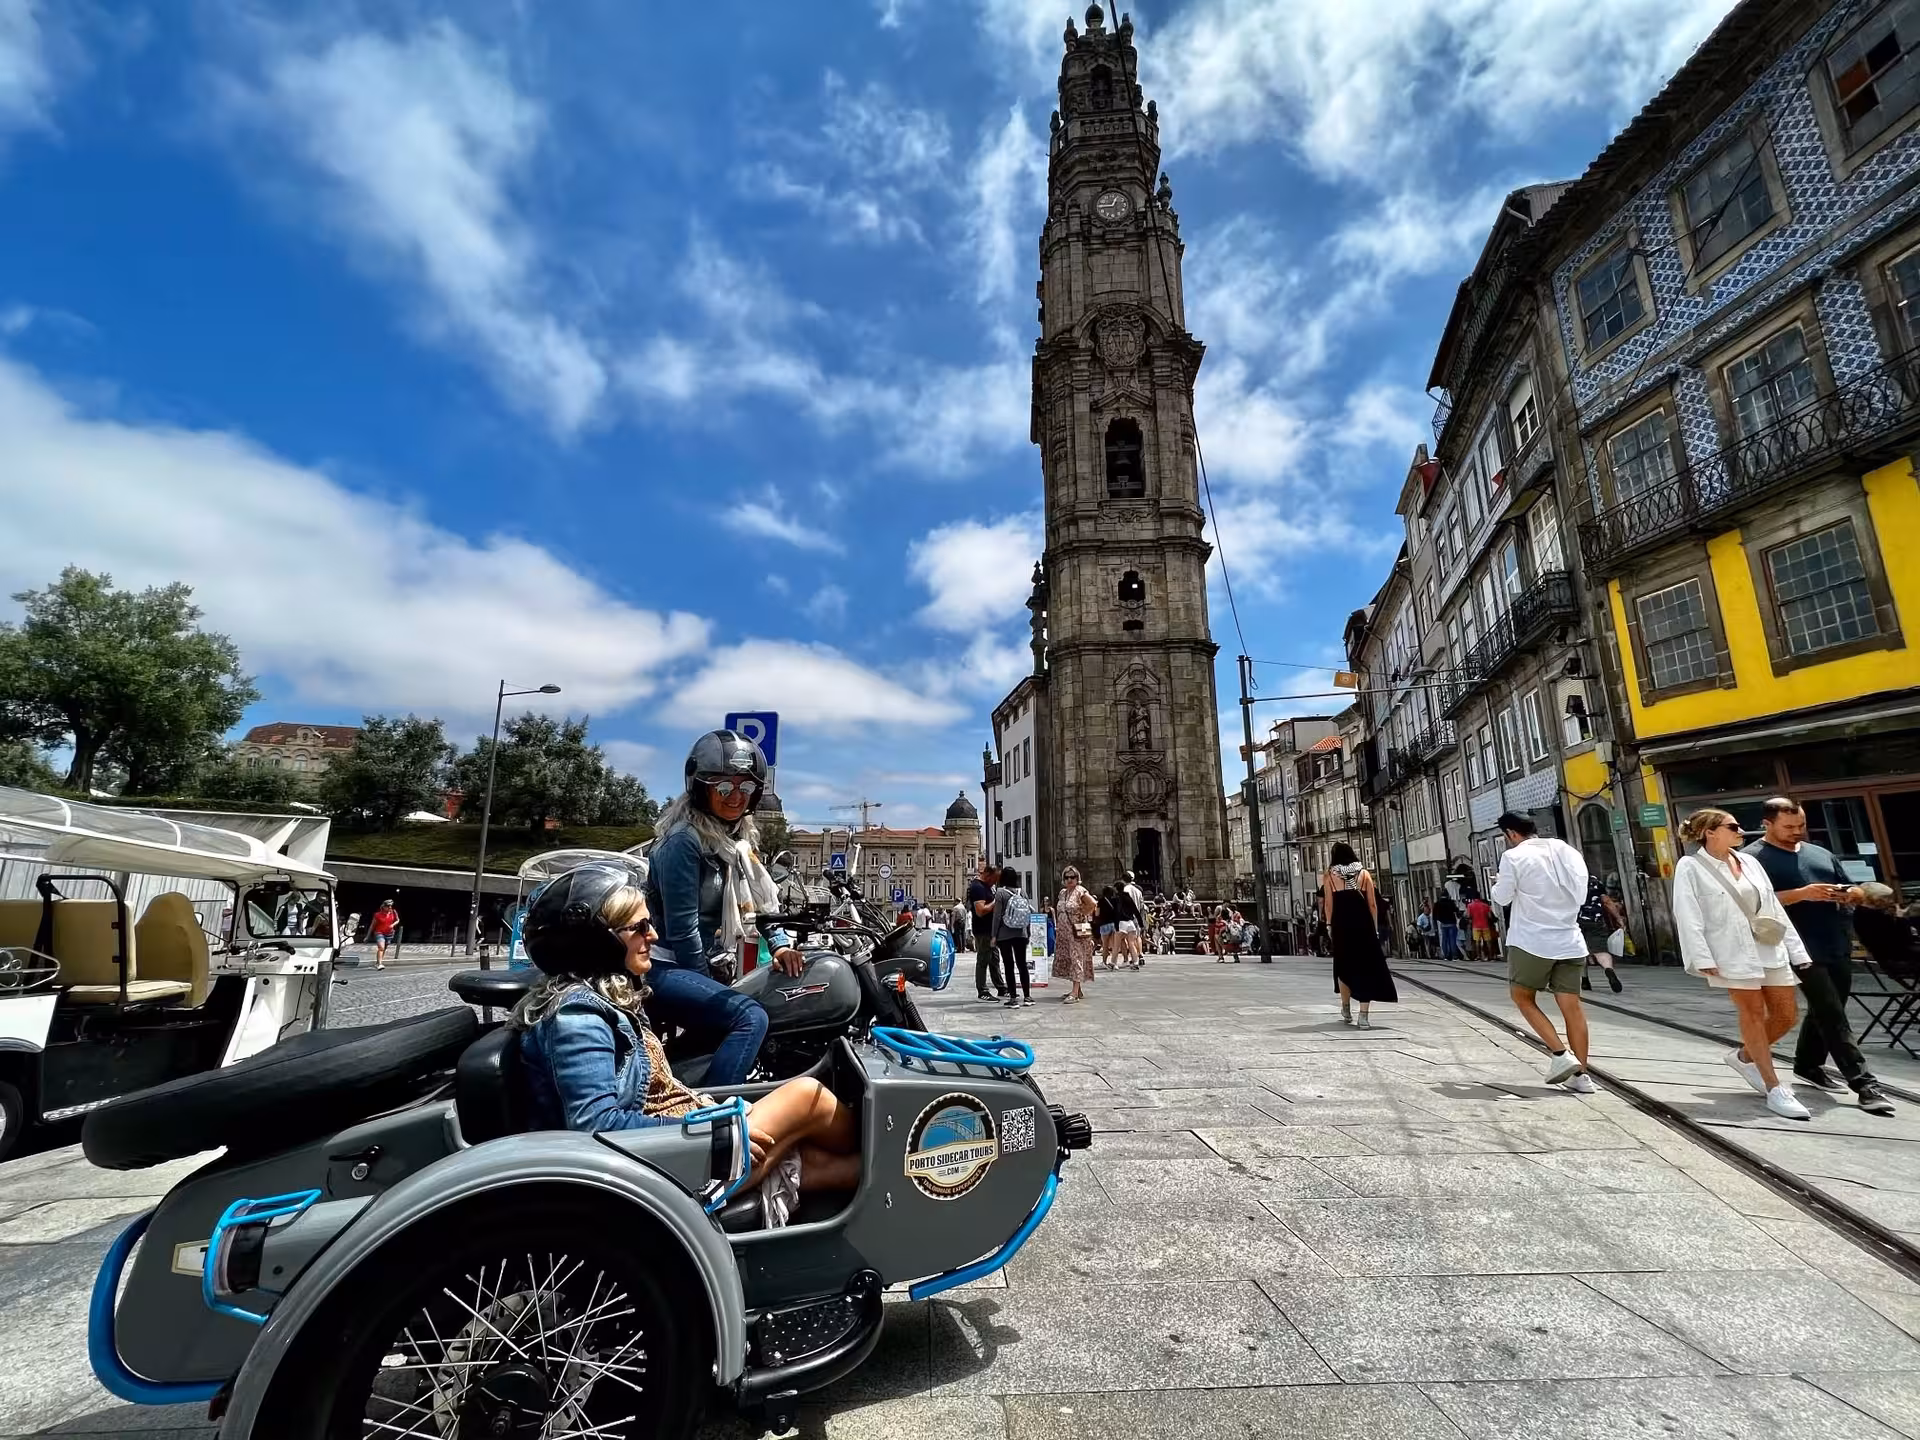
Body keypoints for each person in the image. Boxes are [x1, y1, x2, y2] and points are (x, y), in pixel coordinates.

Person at [512, 863, 858, 1228]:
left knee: (833, 1163)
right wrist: (714, 1131)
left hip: (683, 1142)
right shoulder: (579, 1015)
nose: (654, 936)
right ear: (598, 941)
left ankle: (892, 1184)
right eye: (639, 928)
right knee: (808, 1097)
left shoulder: (605, 998)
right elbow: (595, 1124)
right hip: (671, 1162)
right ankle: (897, 1151)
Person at [641, 731, 792, 1087]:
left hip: (695, 965)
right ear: (701, 787)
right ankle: (714, 1115)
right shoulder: (684, 841)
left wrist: (781, 943)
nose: (736, 797)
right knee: (749, 1018)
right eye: (724, 788)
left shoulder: (737, 841)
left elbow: (759, 898)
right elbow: (683, 929)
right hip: (662, 965)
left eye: (746, 788)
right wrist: (708, 992)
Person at [1745, 799, 1894, 1115]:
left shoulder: (1820, 853)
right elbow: (1749, 904)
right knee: (1832, 1014)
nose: (1797, 832)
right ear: (1767, 823)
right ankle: (1865, 1084)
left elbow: (1854, 890)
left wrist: (1852, 894)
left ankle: (1808, 1066)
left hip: (1835, 941)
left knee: (1829, 1008)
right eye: (1789, 827)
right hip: (1794, 948)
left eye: (1800, 825)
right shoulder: (1751, 859)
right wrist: (1802, 894)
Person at [1672, 808, 1815, 1121]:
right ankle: (1774, 1087)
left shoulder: (1749, 862)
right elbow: (1687, 913)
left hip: (1769, 947)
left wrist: (1797, 951)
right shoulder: (1691, 866)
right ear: (1710, 832)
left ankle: (1744, 1056)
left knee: (1786, 1015)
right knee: (1751, 1013)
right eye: (1732, 826)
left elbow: (1773, 907)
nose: (1740, 831)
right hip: (1730, 952)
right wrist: (1702, 956)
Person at [1490, 812, 1596, 1093]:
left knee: (1522, 996)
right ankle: (1581, 1076)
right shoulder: (1567, 850)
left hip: (1532, 941)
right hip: (1570, 940)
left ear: (1511, 834)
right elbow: (1581, 894)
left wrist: (1499, 880)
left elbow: (1502, 897)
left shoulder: (1513, 857)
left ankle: (1560, 1055)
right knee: (1572, 1007)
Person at [1323, 841, 1397, 1029]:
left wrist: (1330, 925)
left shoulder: (1330, 875)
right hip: (1363, 925)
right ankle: (1363, 1016)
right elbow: (1372, 904)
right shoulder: (1364, 874)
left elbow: (1328, 905)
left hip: (1341, 925)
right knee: (1366, 967)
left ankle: (1346, 1008)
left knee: (1343, 966)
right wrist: (1374, 927)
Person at [992, 866, 1034, 1008]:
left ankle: (1013, 998)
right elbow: (1028, 913)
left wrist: (993, 935)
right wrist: (1027, 932)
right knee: (1022, 964)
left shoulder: (1000, 893)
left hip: (1005, 934)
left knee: (1008, 965)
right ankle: (1027, 997)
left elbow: (997, 916)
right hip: (1021, 933)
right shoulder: (1022, 892)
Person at [1054, 866, 1097, 1003]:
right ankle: (1078, 990)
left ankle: (1074, 992)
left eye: (1072, 877)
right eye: (1066, 877)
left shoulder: (1080, 891)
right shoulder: (1062, 893)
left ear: (1077, 878)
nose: (1069, 880)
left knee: (1076, 958)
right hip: (1064, 933)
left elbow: (1093, 904)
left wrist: (1082, 914)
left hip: (1077, 932)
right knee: (1070, 959)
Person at [1577, 875, 1626, 993]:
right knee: (1600, 950)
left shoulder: (1565, 880)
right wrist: (1618, 919)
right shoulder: (1594, 881)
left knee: (1580, 951)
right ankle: (1609, 970)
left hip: (1574, 922)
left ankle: (1584, 980)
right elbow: (1607, 902)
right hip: (1595, 920)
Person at [968, 860, 1007, 1002]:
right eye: (994, 879)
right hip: (983, 930)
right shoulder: (977, 887)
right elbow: (980, 911)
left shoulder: (987, 886)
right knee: (983, 958)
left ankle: (1001, 987)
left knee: (994, 958)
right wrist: (997, 901)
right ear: (988, 875)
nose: (995, 882)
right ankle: (982, 990)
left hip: (991, 929)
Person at [1122, 871, 1148, 968]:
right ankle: (1140, 954)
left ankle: (1132, 958)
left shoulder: (1125, 889)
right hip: (1137, 916)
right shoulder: (1138, 891)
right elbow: (1142, 905)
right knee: (1137, 936)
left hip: (1128, 916)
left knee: (1127, 938)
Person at [1466, 893, 1499, 960]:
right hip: (1485, 925)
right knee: (1488, 941)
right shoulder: (1486, 905)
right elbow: (1489, 916)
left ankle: (1479, 956)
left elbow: (1468, 916)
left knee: (1477, 941)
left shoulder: (1470, 906)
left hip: (1475, 926)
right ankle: (1490, 956)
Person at [369, 898, 400, 970]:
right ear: (383, 906)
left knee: (384, 948)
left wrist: (393, 925)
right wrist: (368, 936)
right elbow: (372, 925)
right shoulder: (377, 915)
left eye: (391, 906)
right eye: (388, 906)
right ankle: (380, 964)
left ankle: (378, 962)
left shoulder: (393, 912)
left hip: (389, 933)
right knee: (381, 948)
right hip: (379, 932)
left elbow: (398, 920)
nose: (390, 907)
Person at [1096, 885, 1121, 969]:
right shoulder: (1115, 900)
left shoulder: (1101, 901)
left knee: (1105, 945)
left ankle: (1104, 961)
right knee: (1114, 945)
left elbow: (1097, 913)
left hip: (1104, 924)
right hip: (1113, 924)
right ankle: (1114, 963)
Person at [1432, 890, 1461, 960]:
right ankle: (1454, 955)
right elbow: (1456, 911)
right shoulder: (1451, 902)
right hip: (1451, 923)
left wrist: (1435, 925)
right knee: (1452, 940)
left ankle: (1446, 955)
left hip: (1443, 924)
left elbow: (1434, 916)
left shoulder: (1437, 903)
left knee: (1444, 940)